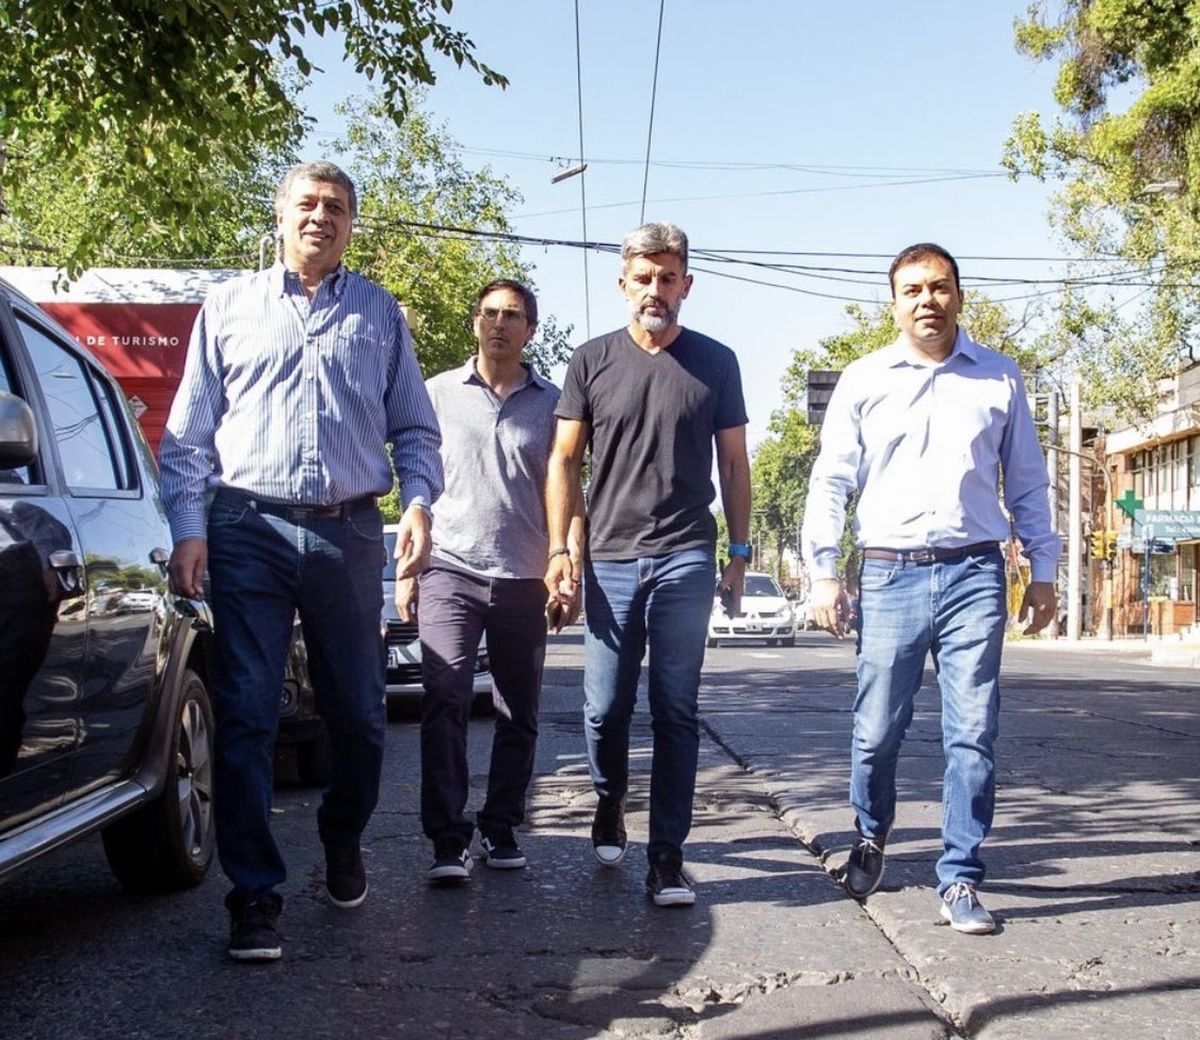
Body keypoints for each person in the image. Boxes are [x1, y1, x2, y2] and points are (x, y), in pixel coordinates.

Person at [160, 161, 443, 962]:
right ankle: (256, 896)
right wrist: (191, 528)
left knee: (358, 713)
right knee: (246, 713)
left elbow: (416, 432)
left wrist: (416, 503)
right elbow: (186, 439)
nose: (323, 217)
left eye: (339, 208)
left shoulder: (379, 315)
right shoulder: (229, 308)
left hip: (348, 533)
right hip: (246, 525)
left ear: (353, 225)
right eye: (309, 205)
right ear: (281, 216)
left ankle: (342, 835)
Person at [801, 242, 1059, 934]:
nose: (927, 300)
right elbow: (831, 481)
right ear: (895, 303)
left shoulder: (999, 379)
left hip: (977, 571)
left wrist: (1045, 571)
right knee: (877, 729)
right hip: (889, 572)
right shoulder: (864, 379)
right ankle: (870, 834)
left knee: (973, 730)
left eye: (939, 288)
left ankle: (961, 876)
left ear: (959, 298)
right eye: (912, 289)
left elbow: (1028, 482)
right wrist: (823, 571)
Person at [545, 222, 751, 907]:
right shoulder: (590, 360)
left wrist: (739, 553)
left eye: (668, 278)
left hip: (687, 554)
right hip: (607, 557)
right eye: (644, 277)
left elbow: (734, 463)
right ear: (624, 284)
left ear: (686, 284)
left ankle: (667, 855)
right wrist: (560, 549)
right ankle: (609, 800)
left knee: (675, 709)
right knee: (604, 709)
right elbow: (564, 461)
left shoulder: (716, 362)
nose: (655, 290)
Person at [395, 279, 582, 884]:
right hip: (450, 567)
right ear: (476, 323)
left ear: (530, 330)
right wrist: (408, 568)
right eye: (490, 314)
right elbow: (415, 479)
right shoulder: (436, 394)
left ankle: (500, 826)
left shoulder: (555, 404)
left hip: (526, 576)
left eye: (513, 316)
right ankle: (447, 839)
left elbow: (572, 494)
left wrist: (569, 565)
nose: (499, 324)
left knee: (517, 710)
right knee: (445, 697)